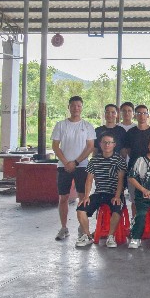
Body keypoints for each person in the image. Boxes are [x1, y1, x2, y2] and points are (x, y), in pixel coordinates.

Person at [52, 95, 96, 241]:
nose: (76, 108)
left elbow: (90, 147)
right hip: (63, 166)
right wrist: (66, 162)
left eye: (78, 106)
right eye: (73, 105)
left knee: (82, 197)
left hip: (82, 166)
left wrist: (76, 162)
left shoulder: (87, 126)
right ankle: (64, 227)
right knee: (63, 197)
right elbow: (55, 146)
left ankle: (82, 227)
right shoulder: (60, 125)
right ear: (69, 107)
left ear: (82, 107)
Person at [74, 132, 127, 248]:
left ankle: (110, 237)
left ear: (114, 144)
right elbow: (89, 180)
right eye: (104, 142)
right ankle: (87, 236)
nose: (107, 145)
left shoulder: (119, 160)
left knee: (117, 208)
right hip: (99, 193)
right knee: (80, 209)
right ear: (100, 144)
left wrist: (117, 196)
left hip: (114, 193)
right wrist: (86, 196)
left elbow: (121, 180)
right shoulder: (94, 160)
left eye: (109, 143)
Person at [122, 105, 150, 218]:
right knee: (134, 200)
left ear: (148, 115)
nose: (142, 116)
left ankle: (149, 224)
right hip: (134, 171)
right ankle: (135, 222)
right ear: (135, 115)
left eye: (144, 113)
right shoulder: (130, 132)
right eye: (139, 113)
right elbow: (128, 151)